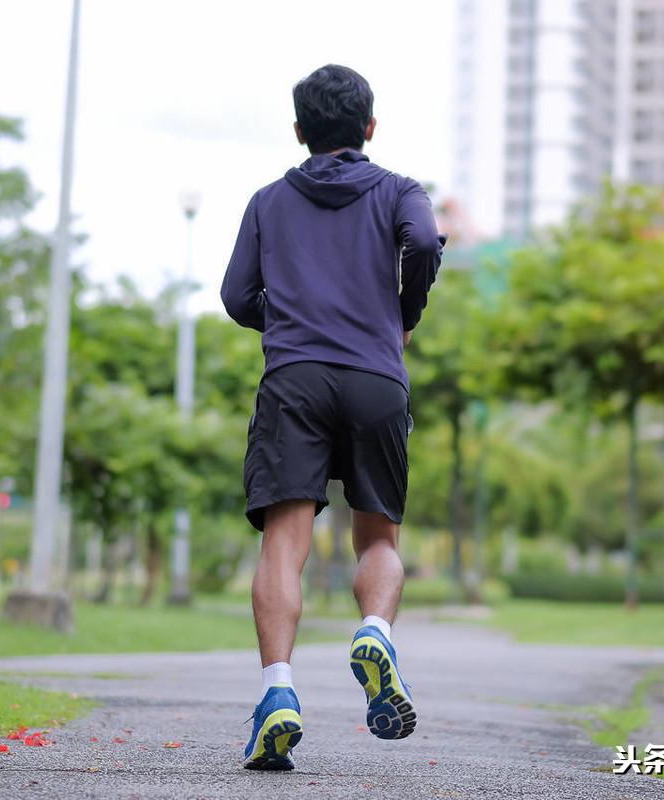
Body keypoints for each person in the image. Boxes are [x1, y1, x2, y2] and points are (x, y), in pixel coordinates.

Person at [220, 63, 443, 771]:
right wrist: (401, 315)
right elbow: (428, 243)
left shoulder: (267, 202)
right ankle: (374, 628)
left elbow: (235, 295)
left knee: (284, 542)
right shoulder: (400, 191)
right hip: (378, 379)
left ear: (299, 131)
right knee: (377, 539)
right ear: (369, 128)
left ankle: (278, 694)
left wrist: (285, 317)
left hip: (295, 381)